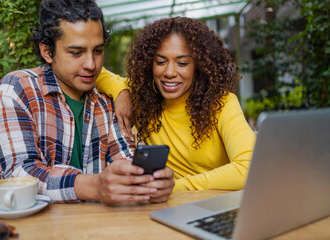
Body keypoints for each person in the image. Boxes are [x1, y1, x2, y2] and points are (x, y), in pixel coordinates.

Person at [0, 0, 174, 203]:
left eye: (98, 51)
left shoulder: (106, 101)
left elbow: (124, 156)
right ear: (47, 51)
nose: (91, 64)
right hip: (10, 221)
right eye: (76, 53)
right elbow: (19, 174)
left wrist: (147, 181)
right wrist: (94, 186)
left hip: (84, 225)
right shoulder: (16, 90)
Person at [99, 17, 256, 191]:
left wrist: (175, 188)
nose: (170, 72)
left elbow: (249, 169)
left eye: (182, 63)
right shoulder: (144, 98)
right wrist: (121, 91)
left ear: (199, 66)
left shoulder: (223, 103)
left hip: (218, 204)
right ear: (149, 64)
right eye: (161, 62)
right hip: (173, 208)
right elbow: (95, 71)